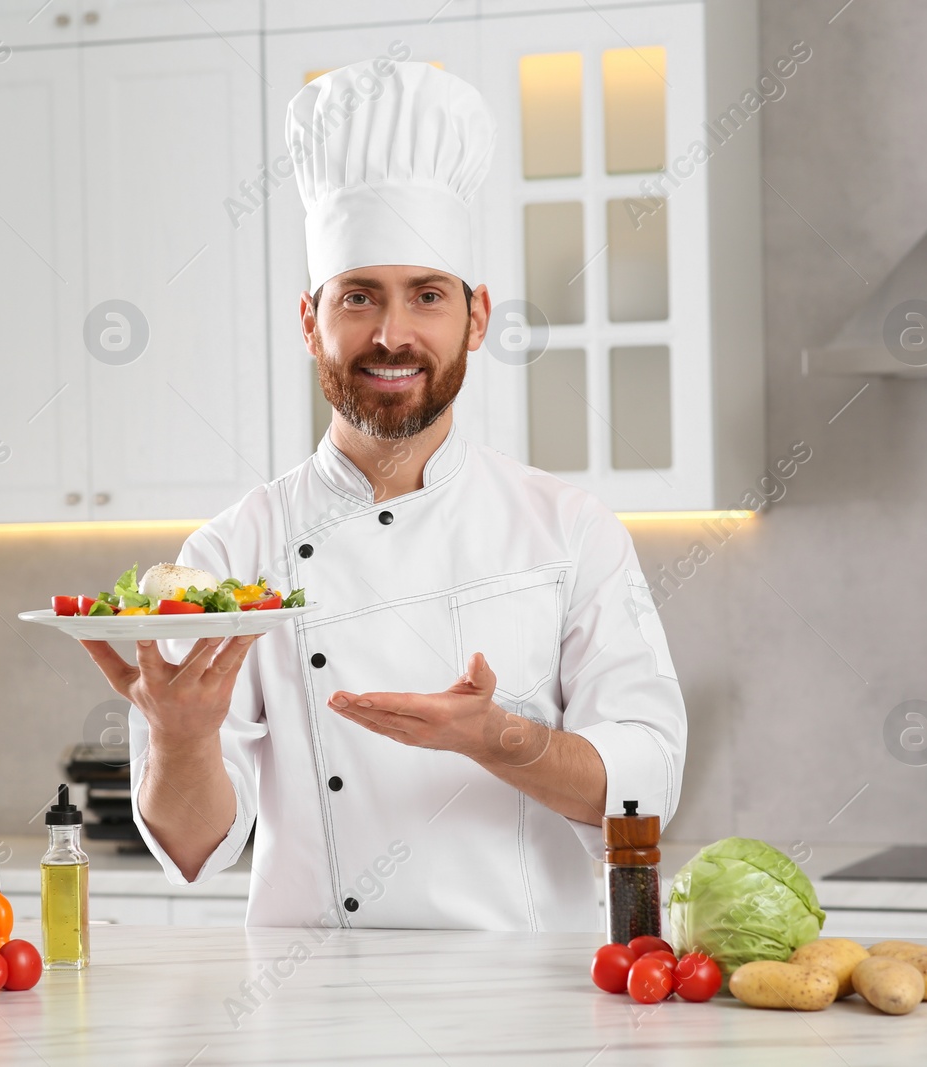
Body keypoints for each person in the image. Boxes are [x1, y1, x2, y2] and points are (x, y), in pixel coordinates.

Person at [79, 61, 686, 930]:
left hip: (524, 1005)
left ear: (475, 318)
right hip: (307, 1004)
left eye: (426, 297)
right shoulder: (230, 555)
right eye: (358, 297)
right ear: (309, 321)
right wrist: (179, 738)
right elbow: (194, 848)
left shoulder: (571, 531)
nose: (392, 334)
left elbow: (646, 785)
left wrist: (494, 736)